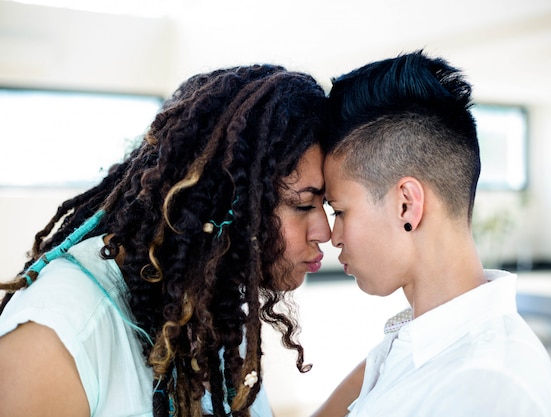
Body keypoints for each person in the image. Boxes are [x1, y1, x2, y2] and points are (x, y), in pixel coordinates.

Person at [0, 64, 331, 417]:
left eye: (327, 206)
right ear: (224, 199)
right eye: (303, 204)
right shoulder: (64, 326)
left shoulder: (212, 308)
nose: (325, 231)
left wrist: (382, 366)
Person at [316, 50, 551, 416]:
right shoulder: (417, 344)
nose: (330, 235)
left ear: (406, 206)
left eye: (339, 211)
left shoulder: (488, 387)